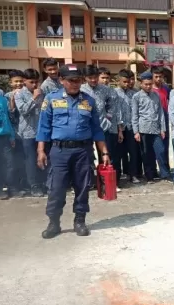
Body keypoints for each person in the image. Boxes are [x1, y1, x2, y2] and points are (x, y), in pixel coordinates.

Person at [36, 64, 109, 239]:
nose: (76, 84)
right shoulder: (51, 99)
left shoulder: (88, 101)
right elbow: (43, 127)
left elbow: (97, 129)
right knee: (56, 188)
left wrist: (104, 153)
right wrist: (41, 150)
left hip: (83, 151)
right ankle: (54, 223)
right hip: (59, 151)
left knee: (82, 187)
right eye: (71, 80)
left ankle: (80, 221)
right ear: (61, 80)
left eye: (78, 80)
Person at [15, 68, 46, 197]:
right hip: (27, 133)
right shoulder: (19, 94)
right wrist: (34, 98)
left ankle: (44, 182)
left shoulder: (41, 92)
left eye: (36, 82)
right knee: (30, 160)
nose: (34, 85)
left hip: (41, 132)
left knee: (43, 158)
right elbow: (23, 111)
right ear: (24, 81)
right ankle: (33, 185)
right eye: (31, 82)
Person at [132, 71, 167, 182]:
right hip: (143, 129)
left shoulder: (155, 95)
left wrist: (162, 128)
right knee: (146, 154)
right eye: (145, 84)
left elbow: (160, 112)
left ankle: (165, 174)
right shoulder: (136, 97)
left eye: (150, 84)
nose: (148, 86)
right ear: (141, 84)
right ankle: (149, 175)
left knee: (161, 150)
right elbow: (135, 115)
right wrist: (136, 131)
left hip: (156, 129)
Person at [115, 69, 138, 184]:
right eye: (124, 81)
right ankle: (118, 176)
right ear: (118, 80)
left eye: (128, 82)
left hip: (131, 127)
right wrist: (119, 127)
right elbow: (115, 111)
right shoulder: (114, 93)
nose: (126, 84)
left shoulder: (134, 93)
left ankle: (132, 174)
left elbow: (136, 111)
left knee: (133, 152)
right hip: (119, 128)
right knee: (119, 153)